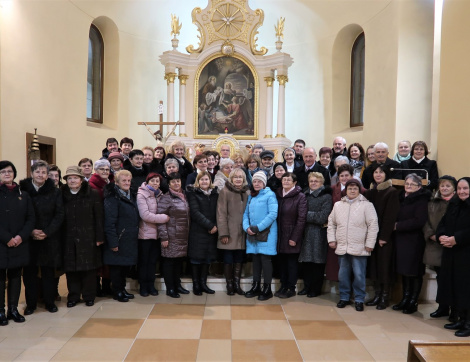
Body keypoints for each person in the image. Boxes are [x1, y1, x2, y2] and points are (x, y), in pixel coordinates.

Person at [20, 161, 64, 315]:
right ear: (32, 173)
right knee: (30, 273)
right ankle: (31, 304)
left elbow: (59, 215)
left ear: (47, 175)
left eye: (43, 172)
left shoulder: (55, 191)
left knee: (48, 273)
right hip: (28, 237)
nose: (40, 175)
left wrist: (46, 232)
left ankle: (49, 302)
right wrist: (31, 231)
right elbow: (20, 214)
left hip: (49, 237)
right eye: (37, 172)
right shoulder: (23, 190)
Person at [327, 179, 378, 311]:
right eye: (350, 188)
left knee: (359, 274)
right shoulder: (338, 205)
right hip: (342, 246)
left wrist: (370, 243)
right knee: (342, 274)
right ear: (346, 190)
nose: (352, 191)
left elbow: (373, 226)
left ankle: (359, 299)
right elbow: (331, 223)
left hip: (360, 246)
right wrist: (332, 239)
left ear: (359, 190)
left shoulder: (367, 205)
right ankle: (344, 297)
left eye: (355, 188)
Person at [61, 166, 104, 308]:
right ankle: (73, 296)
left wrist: (99, 237)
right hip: (68, 237)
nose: (72, 180)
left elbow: (99, 217)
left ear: (81, 179)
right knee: (71, 269)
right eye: (69, 178)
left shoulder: (92, 193)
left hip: (88, 236)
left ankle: (89, 296)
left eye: (75, 178)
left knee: (89, 269)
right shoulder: (61, 194)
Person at [0, 161, 35, 325]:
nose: (7, 174)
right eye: (3, 172)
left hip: (19, 242)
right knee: (0, 277)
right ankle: (0, 311)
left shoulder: (24, 194)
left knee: (15, 276)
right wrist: (7, 238)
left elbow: (30, 218)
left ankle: (12, 309)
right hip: (1, 242)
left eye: (9, 171)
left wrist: (21, 236)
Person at [435, 177, 470, 337]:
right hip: (452, 252)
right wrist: (441, 235)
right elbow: (443, 223)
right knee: (456, 287)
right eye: (460, 188)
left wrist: (457, 238)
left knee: (466, 289)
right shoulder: (454, 204)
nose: (462, 191)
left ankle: (468, 323)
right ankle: (460, 319)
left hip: (466, 254)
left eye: (466, 189)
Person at [392, 173, 430, 314]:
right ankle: (405, 298)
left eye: (412, 184)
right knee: (404, 271)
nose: (408, 186)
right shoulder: (401, 197)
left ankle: (413, 302)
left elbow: (419, 220)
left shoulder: (421, 199)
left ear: (419, 187)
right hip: (401, 240)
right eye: (406, 184)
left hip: (414, 240)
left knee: (414, 272)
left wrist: (398, 226)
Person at [364, 165, 400, 310]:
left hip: (384, 236)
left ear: (386, 175)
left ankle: (385, 297)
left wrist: (384, 236)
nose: (378, 174)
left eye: (381, 172)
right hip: (371, 235)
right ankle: (377, 294)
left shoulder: (391, 192)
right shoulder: (371, 192)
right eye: (376, 172)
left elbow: (390, 217)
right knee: (374, 265)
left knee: (384, 266)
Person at [423, 175, 457, 320]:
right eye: (442, 186)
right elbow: (426, 222)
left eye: (448, 186)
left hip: (454, 245)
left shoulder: (458, 203)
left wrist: (451, 238)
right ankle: (442, 307)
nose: (444, 188)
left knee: (453, 280)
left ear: (454, 188)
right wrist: (433, 235)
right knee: (441, 278)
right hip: (436, 244)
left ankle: (455, 310)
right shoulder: (432, 202)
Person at [103, 170, 140, 302]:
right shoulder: (112, 197)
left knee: (125, 267)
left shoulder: (131, 195)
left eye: (129, 180)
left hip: (129, 239)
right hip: (118, 238)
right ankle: (117, 291)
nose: (127, 183)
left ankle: (122, 289)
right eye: (124, 181)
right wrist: (113, 242)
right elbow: (109, 222)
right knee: (116, 269)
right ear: (116, 182)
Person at [243, 171, 278, 301]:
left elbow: (273, 214)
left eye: (259, 181)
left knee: (265, 260)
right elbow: (245, 214)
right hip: (252, 233)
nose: (256, 184)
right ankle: (256, 286)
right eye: (255, 181)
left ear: (264, 183)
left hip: (266, 233)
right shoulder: (251, 196)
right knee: (256, 260)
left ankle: (267, 289)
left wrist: (258, 228)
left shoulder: (270, 195)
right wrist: (247, 227)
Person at [298, 172, 333, 298]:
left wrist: (304, 215)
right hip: (305, 232)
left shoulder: (326, 197)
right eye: (311, 181)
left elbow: (322, 217)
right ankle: (306, 287)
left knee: (317, 263)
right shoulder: (304, 195)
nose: (313, 183)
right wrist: (309, 215)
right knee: (306, 262)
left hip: (319, 233)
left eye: (316, 181)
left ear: (321, 183)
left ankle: (315, 288)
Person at [157, 172, 190, 298]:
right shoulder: (166, 198)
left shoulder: (184, 195)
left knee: (178, 262)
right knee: (169, 263)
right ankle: (170, 288)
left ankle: (178, 285)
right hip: (171, 235)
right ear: (169, 184)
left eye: (178, 181)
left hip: (183, 235)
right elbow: (160, 219)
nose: (176, 183)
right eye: (173, 181)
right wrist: (164, 237)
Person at [217, 168, 250, 295]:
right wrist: (223, 233)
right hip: (229, 232)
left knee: (239, 258)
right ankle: (229, 285)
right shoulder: (225, 191)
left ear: (243, 179)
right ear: (231, 178)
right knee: (228, 259)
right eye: (235, 177)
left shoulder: (247, 191)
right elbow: (221, 214)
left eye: (240, 177)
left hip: (243, 232)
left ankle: (237, 284)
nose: (238, 179)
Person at [274, 172, 307, 298]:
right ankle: (283, 286)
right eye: (284, 179)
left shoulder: (300, 197)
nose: (286, 181)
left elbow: (301, 218)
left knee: (291, 264)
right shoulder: (278, 195)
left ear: (294, 183)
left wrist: (295, 237)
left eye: (289, 180)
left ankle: (291, 287)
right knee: (281, 263)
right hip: (279, 234)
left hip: (292, 235)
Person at [136, 173, 169, 297]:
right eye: (153, 181)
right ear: (148, 181)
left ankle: (151, 285)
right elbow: (145, 215)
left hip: (157, 235)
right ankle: (143, 286)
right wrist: (164, 218)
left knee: (153, 262)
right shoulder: (141, 195)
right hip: (145, 235)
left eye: (157, 181)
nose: (155, 183)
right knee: (144, 262)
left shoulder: (159, 195)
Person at [186, 171, 219, 295]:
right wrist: (210, 225)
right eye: (202, 180)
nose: (204, 182)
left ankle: (203, 283)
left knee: (207, 259)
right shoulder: (193, 193)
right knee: (196, 259)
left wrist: (215, 226)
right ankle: (196, 284)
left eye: (206, 179)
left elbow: (218, 211)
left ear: (210, 181)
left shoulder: (215, 194)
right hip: (198, 230)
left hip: (212, 231)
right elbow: (195, 212)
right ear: (198, 182)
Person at [88, 159, 112, 298]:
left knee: (106, 258)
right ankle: (96, 288)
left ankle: (107, 287)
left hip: (106, 224)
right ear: (96, 171)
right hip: (97, 225)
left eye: (107, 170)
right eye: (102, 169)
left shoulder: (108, 183)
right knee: (97, 259)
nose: (105, 172)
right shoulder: (92, 185)